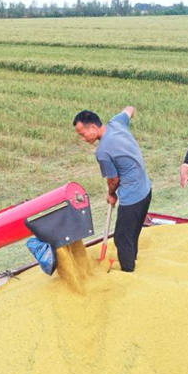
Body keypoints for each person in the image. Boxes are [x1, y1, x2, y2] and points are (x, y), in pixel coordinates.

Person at [73, 107, 152, 272]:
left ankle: (128, 272)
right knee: (133, 231)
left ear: (93, 128)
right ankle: (132, 258)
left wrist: (111, 194)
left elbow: (114, 179)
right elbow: (130, 109)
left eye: (82, 134)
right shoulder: (117, 122)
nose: (83, 138)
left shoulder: (103, 152)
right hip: (146, 189)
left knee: (122, 238)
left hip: (133, 197)